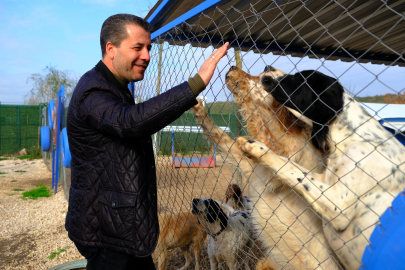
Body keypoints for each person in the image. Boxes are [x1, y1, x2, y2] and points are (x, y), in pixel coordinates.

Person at [65, 14, 229, 270]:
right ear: (111, 49)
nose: (147, 56)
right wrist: (195, 84)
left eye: (149, 48)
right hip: (107, 233)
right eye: (137, 48)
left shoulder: (115, 87)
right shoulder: (93, 91)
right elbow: (129, 121)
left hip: (121, 225)